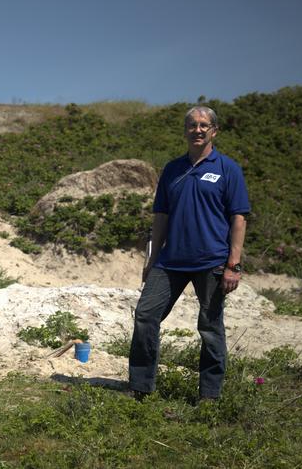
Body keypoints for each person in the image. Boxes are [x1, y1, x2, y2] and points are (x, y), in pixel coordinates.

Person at [128, 106, 249, 401]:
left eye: (204, 125)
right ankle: (141, 388)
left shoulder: (227, 169)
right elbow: (160, 218)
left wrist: (233, 264)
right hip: (170, 262)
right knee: (145, 315)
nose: (198, 129)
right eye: (192, 125)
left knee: (209, 327)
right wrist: (151, 259)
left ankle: (209, 396)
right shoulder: (172, 169)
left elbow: (239, 218)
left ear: (214, 131)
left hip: (212, 262)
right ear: (185, 131)